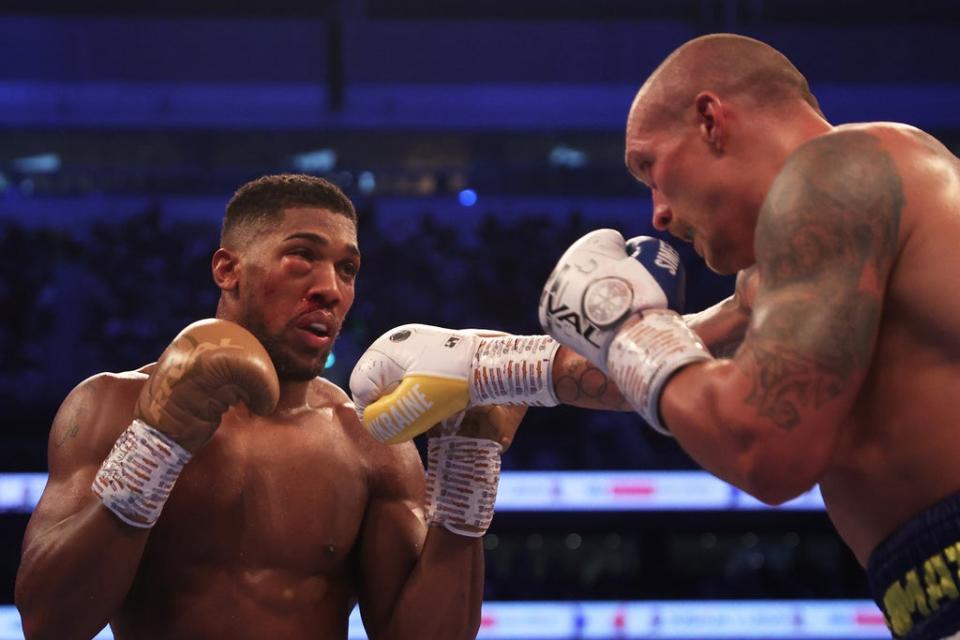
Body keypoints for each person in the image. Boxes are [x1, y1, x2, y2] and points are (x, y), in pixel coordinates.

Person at [350, 34, 960, 640]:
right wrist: (485, 365)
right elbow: (677, 360)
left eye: (652, 168)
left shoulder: (842, 169)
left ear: (710, 120)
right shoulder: (805, 259)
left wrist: (627, 325)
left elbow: (765, 443)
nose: (657, 214)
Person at [14, 174, 525, 640]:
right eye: (302, 256)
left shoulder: (368, 441)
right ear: (228, 269)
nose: (330, 288)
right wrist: (153, 446)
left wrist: (467, 473)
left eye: (347, 269)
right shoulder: (112, 405)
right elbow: (48, 623)